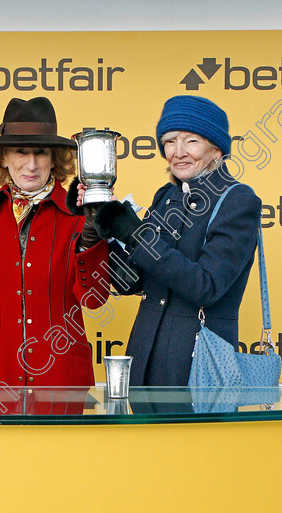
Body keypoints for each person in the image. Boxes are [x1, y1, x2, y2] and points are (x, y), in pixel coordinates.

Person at [0, 97, 109, 387]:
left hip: (64, 380)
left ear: (54, 158)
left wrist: (92, 234)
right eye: (20, 151)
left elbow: (95, 300)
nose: (31, 163)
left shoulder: (80, 215)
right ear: (3, 156)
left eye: (41, 152)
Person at [93, 95, 262, 386]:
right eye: (170, 141)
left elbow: (205, 287)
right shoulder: (167, 196)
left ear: (216, 149)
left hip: (199, 368)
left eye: (192, 141)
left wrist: (137, 235)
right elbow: (132, 283)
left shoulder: (238, 200)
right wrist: (102, 228)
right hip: (143, 363)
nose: (178, 152)